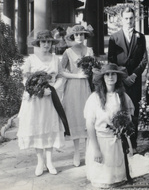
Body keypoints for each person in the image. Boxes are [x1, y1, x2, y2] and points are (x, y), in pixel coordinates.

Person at [17, 30, 66, 176]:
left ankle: (50, 161)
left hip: (50, 97)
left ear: (52, 43)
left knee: (50, 126)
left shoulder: (55, 59)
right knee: (37, 127)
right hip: (35, 99)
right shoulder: (31, 60)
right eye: (43, 42)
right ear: (39, 43)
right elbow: (25, 80)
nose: (46, 44)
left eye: (49, 42)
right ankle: (40, 162)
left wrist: (53, 88)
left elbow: (61, 76)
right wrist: (38, 90)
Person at [84, 63, 134, 188]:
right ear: (103, 78)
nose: (110, 77)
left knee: (117, 180)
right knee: (103, 181)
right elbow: (89, 125)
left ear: (117, 77)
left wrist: (129, 144)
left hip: (116, 142)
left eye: (113, 74)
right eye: (107, 75)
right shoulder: (94, 98)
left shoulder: (122, 97)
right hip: (101, 141)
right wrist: (96, 149)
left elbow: (127, 121)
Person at [108, 6, 148, 151]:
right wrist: (123, 76)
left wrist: (134, 75)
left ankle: (133, 143)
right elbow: (111, 61)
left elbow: (144, 60)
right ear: (121, 19)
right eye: (126, 18)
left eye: (131, 18)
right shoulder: (114, 37)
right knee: (120, 109)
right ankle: (122, 143)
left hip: (135, 80)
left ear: (134, 19)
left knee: (134, 110)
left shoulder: (140, 37)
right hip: (120, 80)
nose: (129, 21)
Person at [61, 24, 94, 167]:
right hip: (74, 86)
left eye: (82, 34)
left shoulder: (89, 50)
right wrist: (76, 75)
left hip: (87, 86)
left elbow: (94, 68)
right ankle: (76, 151)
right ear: (73, 37)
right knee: (75, 116)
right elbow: (61, 71)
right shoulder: (68, 52)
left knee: (87, 116)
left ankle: (88, 151)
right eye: (77, 35)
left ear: (85, 36)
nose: (79, 37)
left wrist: (90, 72)